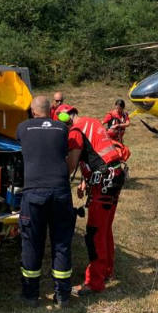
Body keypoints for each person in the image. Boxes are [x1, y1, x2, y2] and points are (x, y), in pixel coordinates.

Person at [15, 96, 76, 308]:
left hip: (34, 192)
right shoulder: (62, 128)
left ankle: (31, 295)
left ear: (32, 111)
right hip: (60, 190)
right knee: (61, 243)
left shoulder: (23, 127)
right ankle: (63, 295)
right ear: (51, 110)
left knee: (32, 242)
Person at [61, 107, 129, 296]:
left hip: (104, 184)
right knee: (105, 228)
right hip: (114, 176)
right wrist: (85, 181)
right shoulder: (91, 122)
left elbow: (72, 162)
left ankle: (94, 282)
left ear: (65, 122)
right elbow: (96, 153)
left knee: (95, 233)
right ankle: (107, 271)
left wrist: (58, 178)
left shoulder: (75, 131)